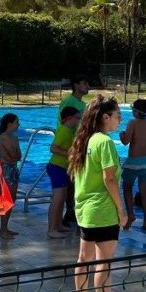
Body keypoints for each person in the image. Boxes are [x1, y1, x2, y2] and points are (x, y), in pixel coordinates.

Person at [67, 95, 129, 292]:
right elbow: (109, 178)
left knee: (84, 258)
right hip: (102, 211)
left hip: (84, 210)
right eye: (118, 116)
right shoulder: (104, 142)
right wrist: (121, 209)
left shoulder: (85, 140)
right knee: (104, 262)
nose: (120, 120)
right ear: (105, 117)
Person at [120, 98, 146, 231]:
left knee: (127, 187)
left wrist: (122, 135)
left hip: (134, 162)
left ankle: (131, 215)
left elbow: (125, 142)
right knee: (145, 190)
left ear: (136, 112)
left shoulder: (132, 123)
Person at [58, 74, 89, 227]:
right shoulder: (68, 102)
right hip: (71, 147)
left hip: (80, 145)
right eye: (84, 83)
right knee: (70, 181)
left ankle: (74, 211)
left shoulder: (83, 104)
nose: (88, 86)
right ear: (76, 85)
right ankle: (69, 211)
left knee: (77, 180)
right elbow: (63, 124)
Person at [46, 106, 80, 239]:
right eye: (77, 118)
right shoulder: (64, 130)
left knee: (62, 198)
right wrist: (69, 155)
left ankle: (58, 225)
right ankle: (52, 229)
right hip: (57, 167)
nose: (79, 120)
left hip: (63, 168)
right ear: (69, 118)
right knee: (57, 199)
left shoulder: (69, 131)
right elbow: (53, 148)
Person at [0, 113, 22, 240]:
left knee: (12, 200)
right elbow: (12, 155)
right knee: (7, 200)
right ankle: (3, 229)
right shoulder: (3, 137)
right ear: (9, 124)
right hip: (6, 169)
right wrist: (14, 154)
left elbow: (18, 156)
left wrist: (14, 154)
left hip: (13, 168)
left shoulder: (15, 138)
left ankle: (5, 227)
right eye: (17, 122)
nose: (19, 124)